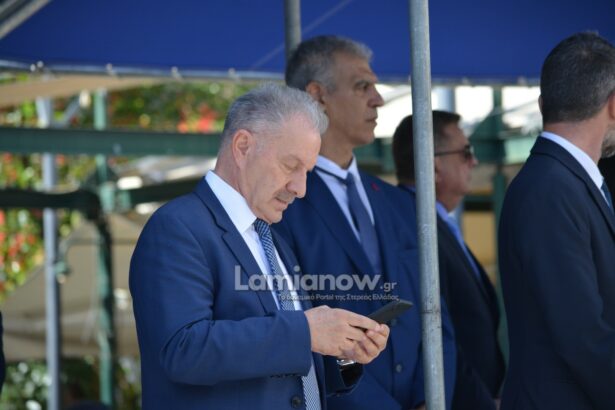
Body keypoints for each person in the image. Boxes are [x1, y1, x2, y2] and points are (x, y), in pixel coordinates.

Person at [129, 83, 390, 410]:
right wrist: (306, 332)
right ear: (242, 147)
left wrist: (343, 353)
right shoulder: (177, 227)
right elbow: (184, 350)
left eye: (307, 172)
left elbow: (286, 365)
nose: (300, 188)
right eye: (291, 166)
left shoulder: (273, 238)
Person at [274, 35, 456, 410]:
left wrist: (429, 398)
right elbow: (292, 332)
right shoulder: (282, 207)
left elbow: (438, 318)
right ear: (317, 96)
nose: (378, 99)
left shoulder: (400, 204)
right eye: (362, 86)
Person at [498, 32, 615, 410]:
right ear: (613, 105)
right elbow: (584, 337)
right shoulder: (551, 187)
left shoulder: (563, 181)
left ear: (542, 103)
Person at [392, 111, 505, 409]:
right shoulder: (413, 225)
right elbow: (439, 332)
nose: (474, 161)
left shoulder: (433, 221)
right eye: (466, 152)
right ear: (434, 164)